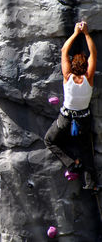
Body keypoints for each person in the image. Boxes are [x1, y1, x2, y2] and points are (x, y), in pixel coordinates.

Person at [44, 21, 98, 191]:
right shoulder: (88, 78)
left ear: (73, 64)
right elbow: (93, 54)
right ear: (85, 66)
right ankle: (91, 184)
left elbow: (64, 51)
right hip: (83, 120)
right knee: (87, 151)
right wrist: (87, 34)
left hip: (65, 118)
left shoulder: (67, 76)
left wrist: (75, 33)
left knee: (50, 140)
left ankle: (72, 163)